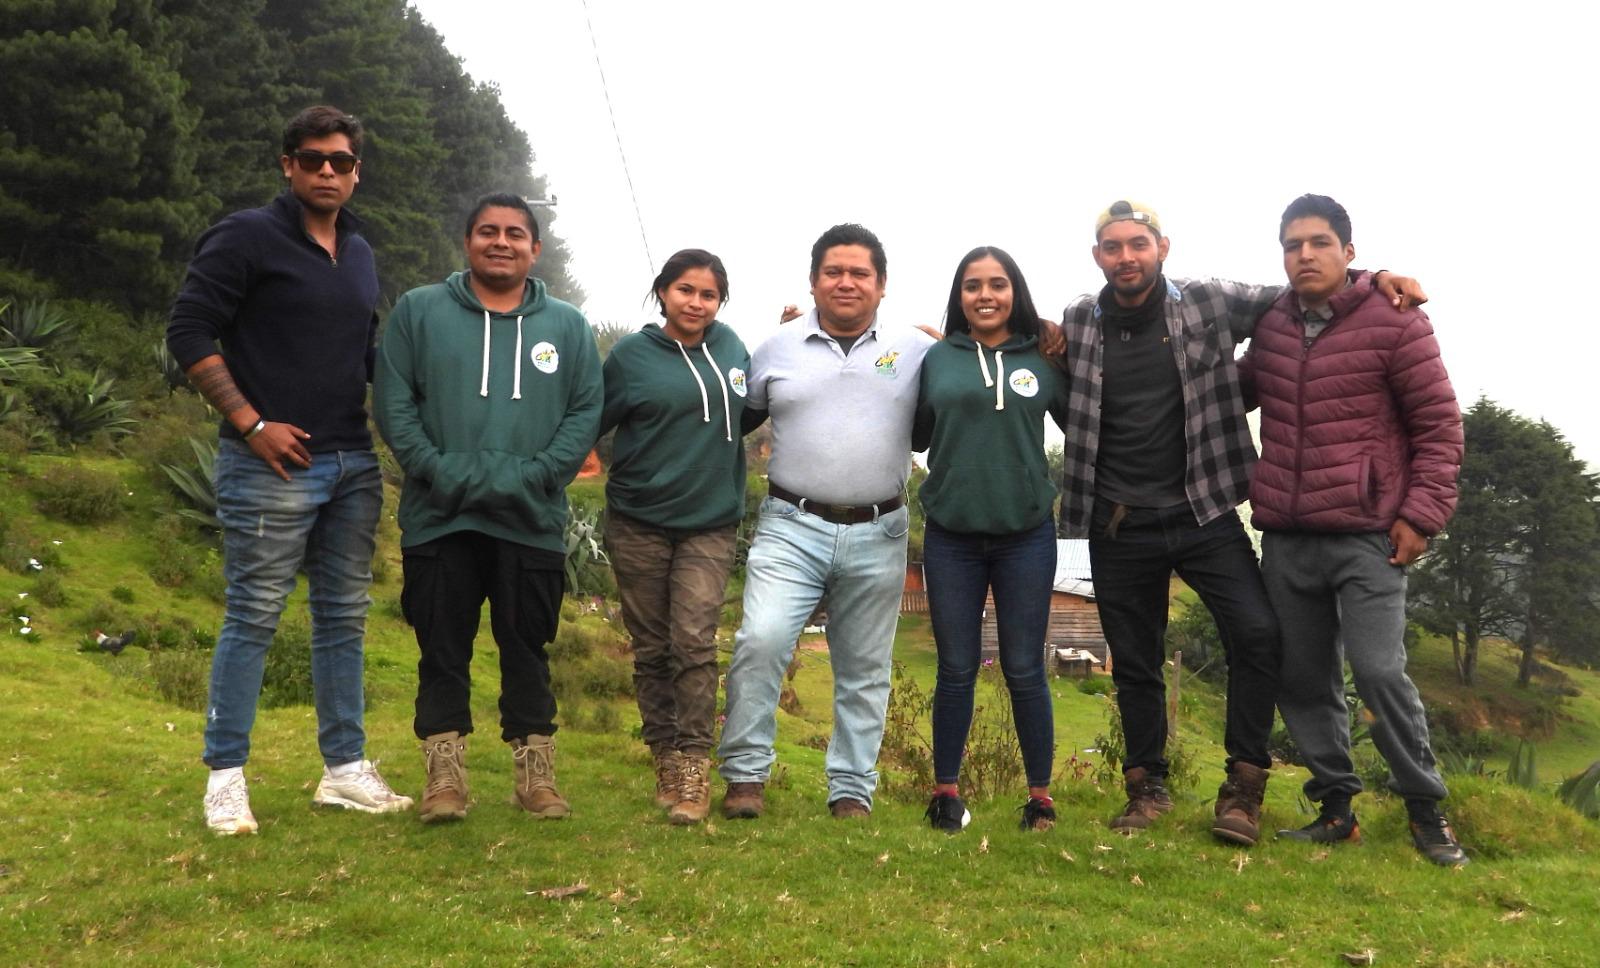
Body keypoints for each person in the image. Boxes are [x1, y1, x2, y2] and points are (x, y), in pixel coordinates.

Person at [1055, 200, 1425, 846]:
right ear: (1097, 257)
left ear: (1162, 247)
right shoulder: (1078, 321)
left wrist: (1373, 278)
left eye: (1138, 244)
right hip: (1119, 522)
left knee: (1257, 635)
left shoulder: (1209, 300)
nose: (1126, 257)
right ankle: (1146, 790)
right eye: (1112, 247)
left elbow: (1305, 291)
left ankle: (1244, 789)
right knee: (1135, 662)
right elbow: (1015, 336)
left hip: (1204, 509)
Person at [167, 105, 410, 836]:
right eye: (312, 159)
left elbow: (364, 354)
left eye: (341, 161)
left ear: (358, 171)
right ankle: (225, 779)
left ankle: (344, 769)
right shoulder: (246, 235)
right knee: (254, 614)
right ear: (287, 165)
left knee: (342, 618)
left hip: (351, 462)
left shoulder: (359, 251)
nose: (327, 171)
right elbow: (188, 329)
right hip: (267, 464)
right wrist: (251, 424)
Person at [1244, 194, 1467, 866]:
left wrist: (1421, 517)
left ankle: (1426, 808)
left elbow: (1439, 426)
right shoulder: (1272, 325)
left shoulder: (1396, 321)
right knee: (1302, 678)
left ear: (1348, 251)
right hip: (1287, 537)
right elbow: (1230, 391)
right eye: (1292, 245)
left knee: (1377, 671)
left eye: (1318, 243)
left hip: (1368, 535)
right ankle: (1336, 808)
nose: (1304, 255)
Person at [373, 192, 602, 823]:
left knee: (527, 648)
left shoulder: (567, 326)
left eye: (514, 234)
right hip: (440, 514)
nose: (501, 242)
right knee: (441, 648)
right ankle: (444, 777)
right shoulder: (419, 311)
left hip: (530, 517)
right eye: (487, 231)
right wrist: (438, 470)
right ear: (467, 240)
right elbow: (394, 402)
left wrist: (540, 475)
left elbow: (585, 409)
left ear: (535, 248)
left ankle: (535, 775)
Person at [717, 223, 936, 820]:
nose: (846, 282)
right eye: (833, 272)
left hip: (880, 530)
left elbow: (948, 405)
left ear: (882, 285)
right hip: (791, 524)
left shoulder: (916, 351)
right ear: (813, 281)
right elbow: (733, 418)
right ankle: (745, 776)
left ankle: (851, 790)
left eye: (860, 273)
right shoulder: (775, 347)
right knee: (761, 640)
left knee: (864, 669)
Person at [599, 248, 758, 825]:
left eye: (708, 294)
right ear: (663, 292)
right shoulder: (631, 356)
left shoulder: (732, 347)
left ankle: (694, 765)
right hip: (638, 519)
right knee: (651, 649)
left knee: (693, 640)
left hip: (709, 521)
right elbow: (593, 419)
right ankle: (664, 759)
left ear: (720, 301)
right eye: (685, 290)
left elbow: (746, 411)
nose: (696, 302)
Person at [913, 247, 1069, 833]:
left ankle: (1040, 800)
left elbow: (1085, 422)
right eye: (972, 285)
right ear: (959, 295)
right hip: (951, 536)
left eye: (997, 284)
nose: (985, 295)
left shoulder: (1045, 356)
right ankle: (945, 795)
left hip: (1026, 535)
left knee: (1024, 667)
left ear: (1015, 291)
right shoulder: (937, 359)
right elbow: (915, 434)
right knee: (955, 667)